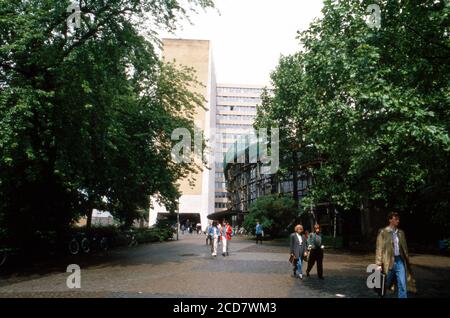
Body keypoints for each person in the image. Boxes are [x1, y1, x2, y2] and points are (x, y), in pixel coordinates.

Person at [376, 212, 416, 298]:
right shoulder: (383, 232)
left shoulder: (401, 233)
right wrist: (378, 264)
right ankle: (381, 295)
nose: (398, 221)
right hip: (388, 261)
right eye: (396, 219)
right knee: (385, 283)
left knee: (402, 283)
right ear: (390, 220)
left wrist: (407, 260)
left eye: (398, 219)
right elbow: (379, 248)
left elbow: (404, 248)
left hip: (399, 261)